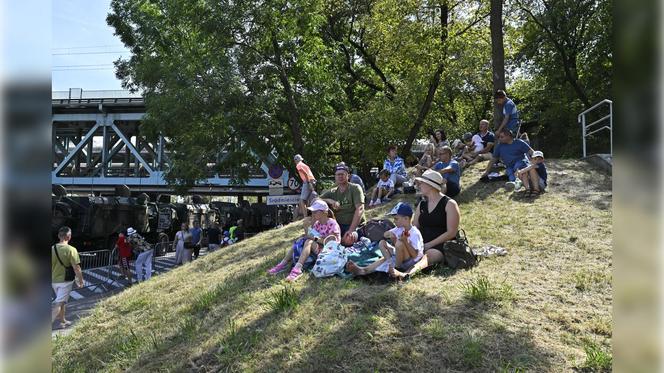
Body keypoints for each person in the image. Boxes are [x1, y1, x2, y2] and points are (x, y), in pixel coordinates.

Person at [390, 170, 461, 280]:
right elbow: (414, 227)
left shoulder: (449, 204)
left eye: (421, 183)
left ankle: (406, 274)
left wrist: (428, 245)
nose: (419, 185)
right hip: (421, 241)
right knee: (398, 247)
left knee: (428, 256)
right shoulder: (422, 204)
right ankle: (365, 270)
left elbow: (451, 232)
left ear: (430, 185)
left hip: (441, 244)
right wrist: (408, 240)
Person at [268, 199, 341, 282]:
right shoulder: (317, 224)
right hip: (319, 248)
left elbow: (330, 242)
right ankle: (282, 264)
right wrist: (306, 229)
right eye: (313, 211)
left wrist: (313, 238)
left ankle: (298, 269)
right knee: (300, 240)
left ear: (324, 212)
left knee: (308, 241)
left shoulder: (332, 223)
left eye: (315, 211)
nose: (313, 214)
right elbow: (312, 235)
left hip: (330, 251)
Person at [346, 202, 423, 276]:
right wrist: (390, 234)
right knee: (382, 243)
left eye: (396, 219)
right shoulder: (400, 228)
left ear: (406, 219)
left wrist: (405, 242)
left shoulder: (414, 233)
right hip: (400, 257)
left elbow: (415, 255)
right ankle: (364, 270)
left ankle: (396, 268)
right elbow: (385, 234)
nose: (394, 221)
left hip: (411, 261)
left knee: (399, 244)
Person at [320, 163, 367, 244]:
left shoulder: (355, 188)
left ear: (348, 176)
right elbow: (315, 200)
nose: (340, 176)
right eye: (338, 174)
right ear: (335, 176)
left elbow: (360, 209)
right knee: (309, 225)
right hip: (337, 226)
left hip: (354, 226)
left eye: (342, 174)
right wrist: (329, 201)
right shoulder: (332, 191)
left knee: (349, 239)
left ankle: (336, 242)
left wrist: (351, 230)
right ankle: (336, 242)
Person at [52, 226, 84, 329]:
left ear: (58, 236)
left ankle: (62, 321)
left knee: (62, 302)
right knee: (59, 303)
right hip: (65, 281)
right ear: (69, 237)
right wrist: (81, 281)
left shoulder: (52, 248)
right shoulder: (71, 249)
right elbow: (77, 268)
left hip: (54, 281)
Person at [294, 154, 317, 219]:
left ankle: (305, 217)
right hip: (312, 180)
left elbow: (305, 174)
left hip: (308, 181)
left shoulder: (298, 165)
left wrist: (309, 183)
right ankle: (312, 214)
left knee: (302, 200)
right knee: (310, 199)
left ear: (296, 160)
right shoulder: (304, 165)